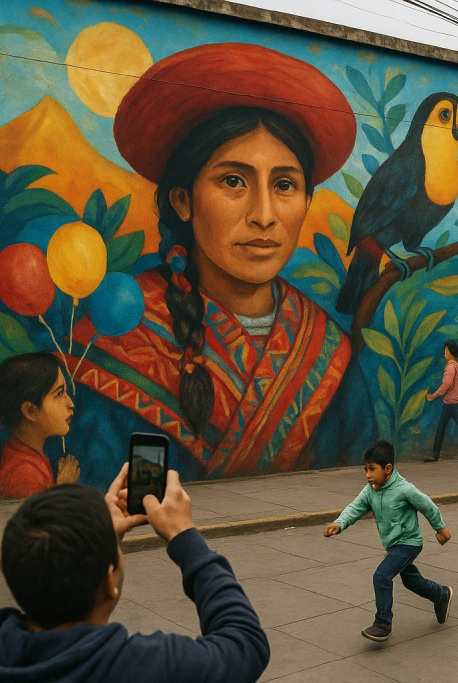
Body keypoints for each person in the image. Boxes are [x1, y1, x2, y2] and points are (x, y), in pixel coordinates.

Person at [62, 43, 374, 489]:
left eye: (285, 185)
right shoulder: (119, 337)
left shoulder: (327, 353)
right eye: (233, 181)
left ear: (307, 201)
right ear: (182, 200)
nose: (264, 215)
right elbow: (130, 498)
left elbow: (358, 485)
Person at [0, 464, 269, 682]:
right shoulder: (143, 668)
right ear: (108, 581)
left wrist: (101, 537)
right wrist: (184, 536)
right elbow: (245, 643)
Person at [324, 440, 453, 641]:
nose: (368, 475)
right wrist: (339, 523)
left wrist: (441, 529)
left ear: (388, 469)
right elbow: (355, 507)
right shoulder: (370, 490)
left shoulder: (404, 489)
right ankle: (441, 595)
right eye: (366, 470)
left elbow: (427, 505)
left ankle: (383, 622)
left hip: (409, 543)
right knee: (411, 580)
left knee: (381, 576)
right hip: (393, 545)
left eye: (372, 469)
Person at [0, 352, 80, 500]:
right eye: (59, 394)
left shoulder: (24, 452)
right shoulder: (24, 475)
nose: (70, 404)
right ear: (30, 410)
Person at [425, 340, 458, 461]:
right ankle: (436, 453)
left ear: (451, 352)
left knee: (448, 426)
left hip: (453, 404)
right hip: (453, 402)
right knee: (456, 425)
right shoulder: (457, 366)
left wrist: (433, 396)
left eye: (446, 351)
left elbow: (446, 385)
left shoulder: (450, 367)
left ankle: (435, 454)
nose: (445, 353)